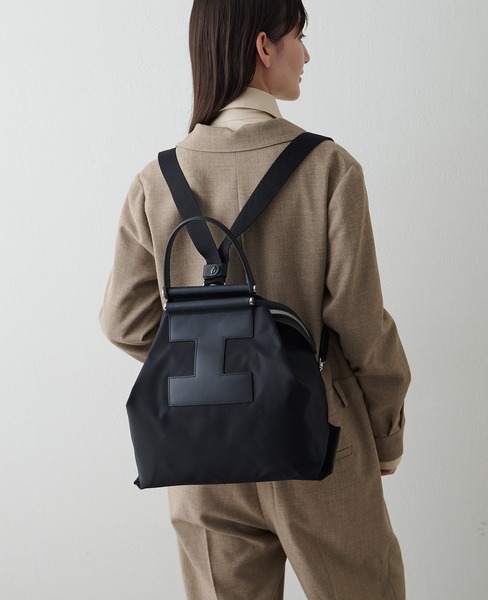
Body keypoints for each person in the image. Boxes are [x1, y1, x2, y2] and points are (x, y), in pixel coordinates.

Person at [99, 0, 411, 598]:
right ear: (264, 46)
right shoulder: (329, 170)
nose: (306, 55)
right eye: (299, 36)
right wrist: (387, 432)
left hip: (203, 452)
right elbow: (362, 326)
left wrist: (212, 369)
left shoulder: (155, 181)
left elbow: (123, 320)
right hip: (320, 437)